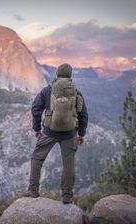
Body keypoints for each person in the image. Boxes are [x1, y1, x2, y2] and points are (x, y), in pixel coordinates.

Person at [23, 63, 88, 204]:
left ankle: (33, 190)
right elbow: (83, 115)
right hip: (70, 134)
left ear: (57, 74)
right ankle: (67, 197)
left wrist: (37, 129)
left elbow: (35, 108)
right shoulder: (76, 92)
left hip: (49, 132)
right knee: (68, 165)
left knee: (37, 158)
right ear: (70, 76)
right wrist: (81, 134)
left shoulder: (47, 90)